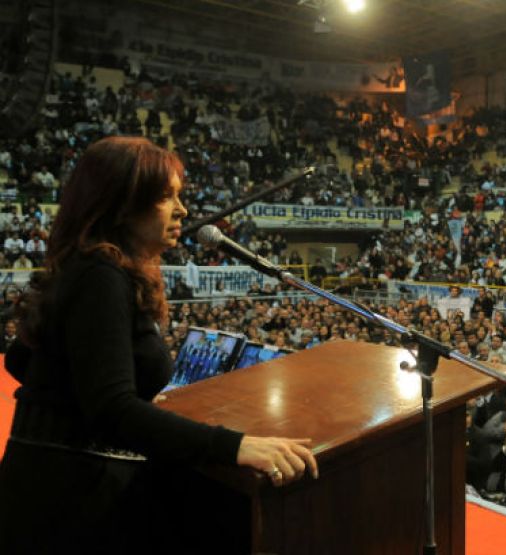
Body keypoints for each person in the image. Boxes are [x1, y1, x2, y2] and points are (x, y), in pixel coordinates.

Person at [0, 137, 319, 553]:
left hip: (44, 485)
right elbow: (112, 409)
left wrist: (92, 388)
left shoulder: (85, 266)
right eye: (166, 197)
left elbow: (23, 360)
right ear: (123, 204)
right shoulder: (101, 275)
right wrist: (234, 444)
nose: (182, 210)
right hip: (72, 505)